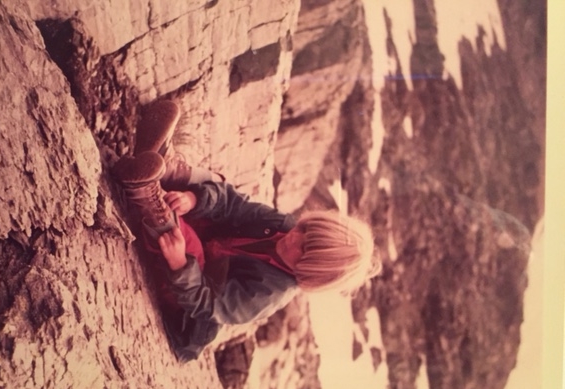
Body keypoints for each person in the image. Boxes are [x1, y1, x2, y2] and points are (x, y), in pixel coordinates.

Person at [111, 100, 381, 363]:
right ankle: (162, 165)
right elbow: (233, 204)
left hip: (186, 300)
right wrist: (194, 200)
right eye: (305, 231)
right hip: (208, 248)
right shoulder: (283, 227)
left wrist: (180, 264)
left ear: (308, 273)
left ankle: (147, 194)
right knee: (214, 186)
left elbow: (207, 305)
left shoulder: (269, 294)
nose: (294, 240)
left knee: (187, 243)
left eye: (303, 252)